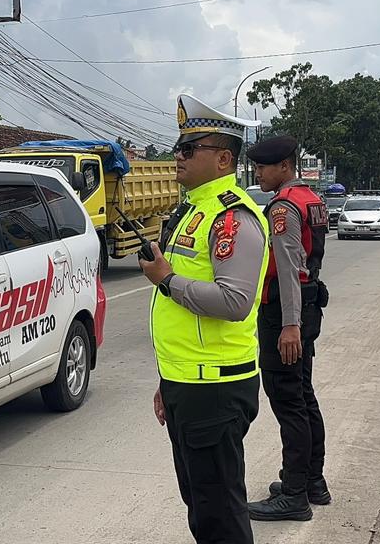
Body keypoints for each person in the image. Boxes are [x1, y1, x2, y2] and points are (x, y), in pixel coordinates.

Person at [140, 94, 269, 544]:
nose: (177, 156)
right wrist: (167, 379)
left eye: (188, 149)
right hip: (187, 381)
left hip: (215, 385)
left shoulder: (233, 217)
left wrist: (166, 280)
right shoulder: (195, 210)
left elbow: (235, 302)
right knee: (201, 503)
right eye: (178, 147)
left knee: (219, 513)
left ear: (222, 159)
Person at [244, 136, 331, 523]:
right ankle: (312, 482)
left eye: (262, 167)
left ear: (284, 166)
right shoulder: (311, 199)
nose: (257, 173)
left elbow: (289, 267)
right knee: (304, 395)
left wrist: (289, 326)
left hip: (286, 310)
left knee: (288, 402)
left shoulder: (283, 207)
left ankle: (295, 495)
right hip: (309, 302)